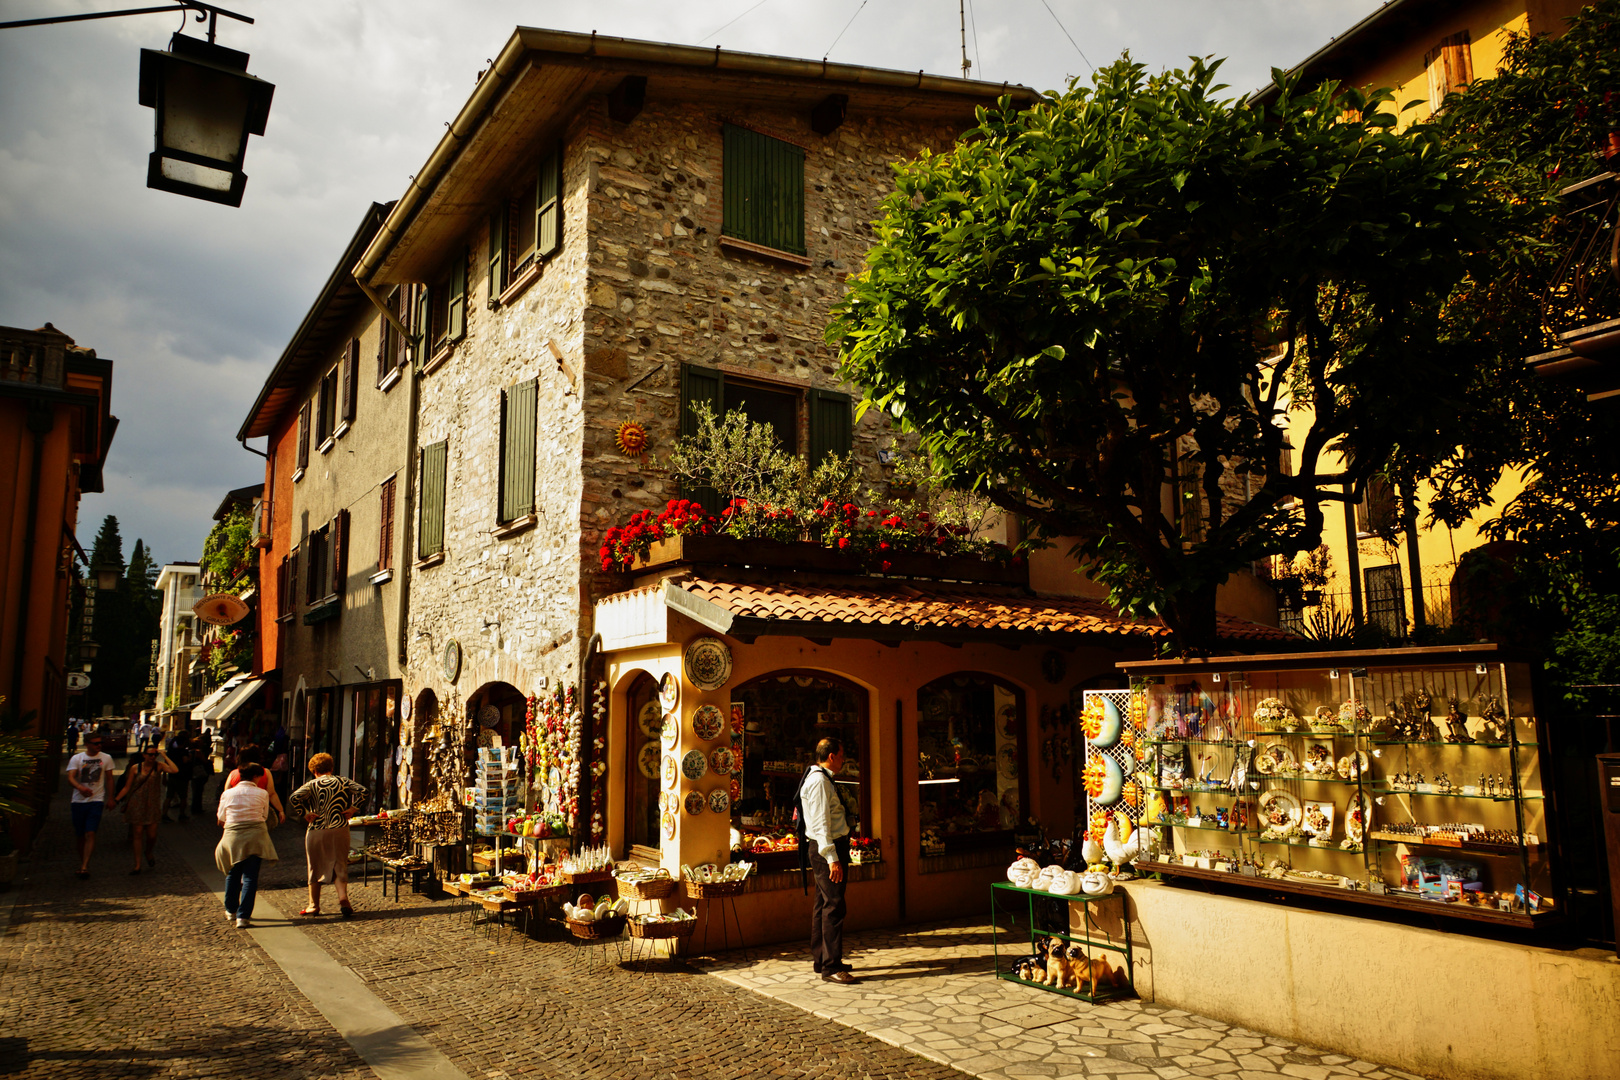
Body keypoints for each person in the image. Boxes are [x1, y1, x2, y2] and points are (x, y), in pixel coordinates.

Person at [799, 736, 858, 984]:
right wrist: (832, 858)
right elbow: (821, 824)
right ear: (831, 756)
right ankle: (831, 967)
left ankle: (822, 958)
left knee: (823, 904)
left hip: (825, 848)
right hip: (827, 849)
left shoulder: (820, 779)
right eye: (842, 755)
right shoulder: (820, 782)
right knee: (834, 906)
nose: (844, 760)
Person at [287, 753, 366, 918]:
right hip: (340, 827)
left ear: (314, 770)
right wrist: (352, 809)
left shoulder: (311, 784)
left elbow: (294, 797)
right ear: (331, 768)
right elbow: (363, 791)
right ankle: (343, 898)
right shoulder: (343, 781)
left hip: (317, 829)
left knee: (314, 866)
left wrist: (305, 813)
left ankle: (313, 905)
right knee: (340, 864)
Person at [216, 761, 280, 928]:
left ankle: (230, 910)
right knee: (250, 877)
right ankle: (243, 917)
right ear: (255, 777)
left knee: (233, 873)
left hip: (233, 836)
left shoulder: (227, 794)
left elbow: (221, 817)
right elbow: (265, 815)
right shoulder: (262, 793)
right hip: (256, 836)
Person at [114, 741, 179, 873]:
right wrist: (116, 800)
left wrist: (165, 756)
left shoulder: (159, 766)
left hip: (152, 805)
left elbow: (174, 769)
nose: (152, 757)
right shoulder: (135, 768)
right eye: (150, 754)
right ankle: (137, 864)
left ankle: (148, 852)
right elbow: (128, 787)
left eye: (154, 755)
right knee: (137, 834)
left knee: (152, 835)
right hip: (137, 803)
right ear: (144, 755)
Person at [66, 734, 117, 879]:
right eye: (96, 743)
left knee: (91, 833)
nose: (99, 745)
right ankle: (82, 861)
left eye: (101, 743)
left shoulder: (106, 758)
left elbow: (109, 779)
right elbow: (70, 777)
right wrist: (80, 788)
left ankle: (84, 866)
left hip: (96, 800)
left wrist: (111, 797)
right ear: (87, 744)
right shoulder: (77, 758)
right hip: (78, 801)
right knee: (80, 835)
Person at [221, 744, 285, 824]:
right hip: (257, 813)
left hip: (236, 815)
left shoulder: (233, 774)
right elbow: (271, 794)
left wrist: (223, 815)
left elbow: (226, 795)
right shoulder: (265, 773)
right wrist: (280, 810)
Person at [163, 732, 192, 822]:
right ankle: (182, 814)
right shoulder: (183, 751)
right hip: (182, 777)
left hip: (171, 776)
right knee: (183, 797)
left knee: (169, 797)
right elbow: (185, 761)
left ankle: (164, 814)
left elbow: (165, 764)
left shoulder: (170, 752)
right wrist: (190, 757)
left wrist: (164, 777)